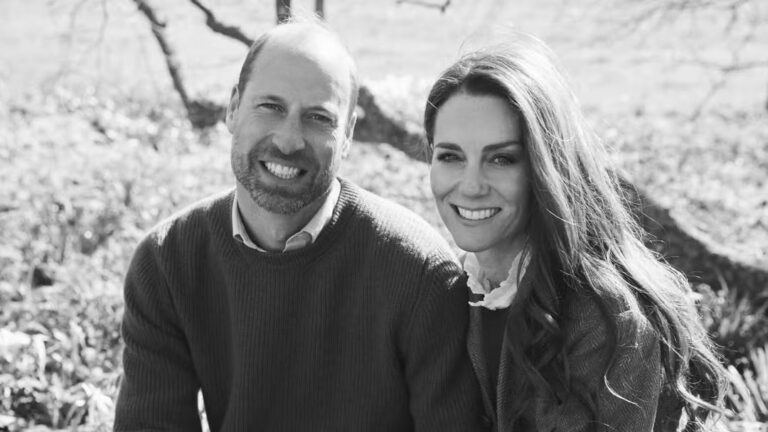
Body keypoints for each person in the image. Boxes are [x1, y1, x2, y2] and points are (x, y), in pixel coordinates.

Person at [115, 19, 486, 431]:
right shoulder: (167, 261)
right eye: (271, 107)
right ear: (233, 108)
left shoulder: (419, 274)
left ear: (348, 134)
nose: (289, 140)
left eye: (318, 118)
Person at [424, 34, 727, 432]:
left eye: (502, 159)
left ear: (545, 166)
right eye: (450, 156)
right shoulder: (445, 289)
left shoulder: (606, 316)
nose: (471, 185)